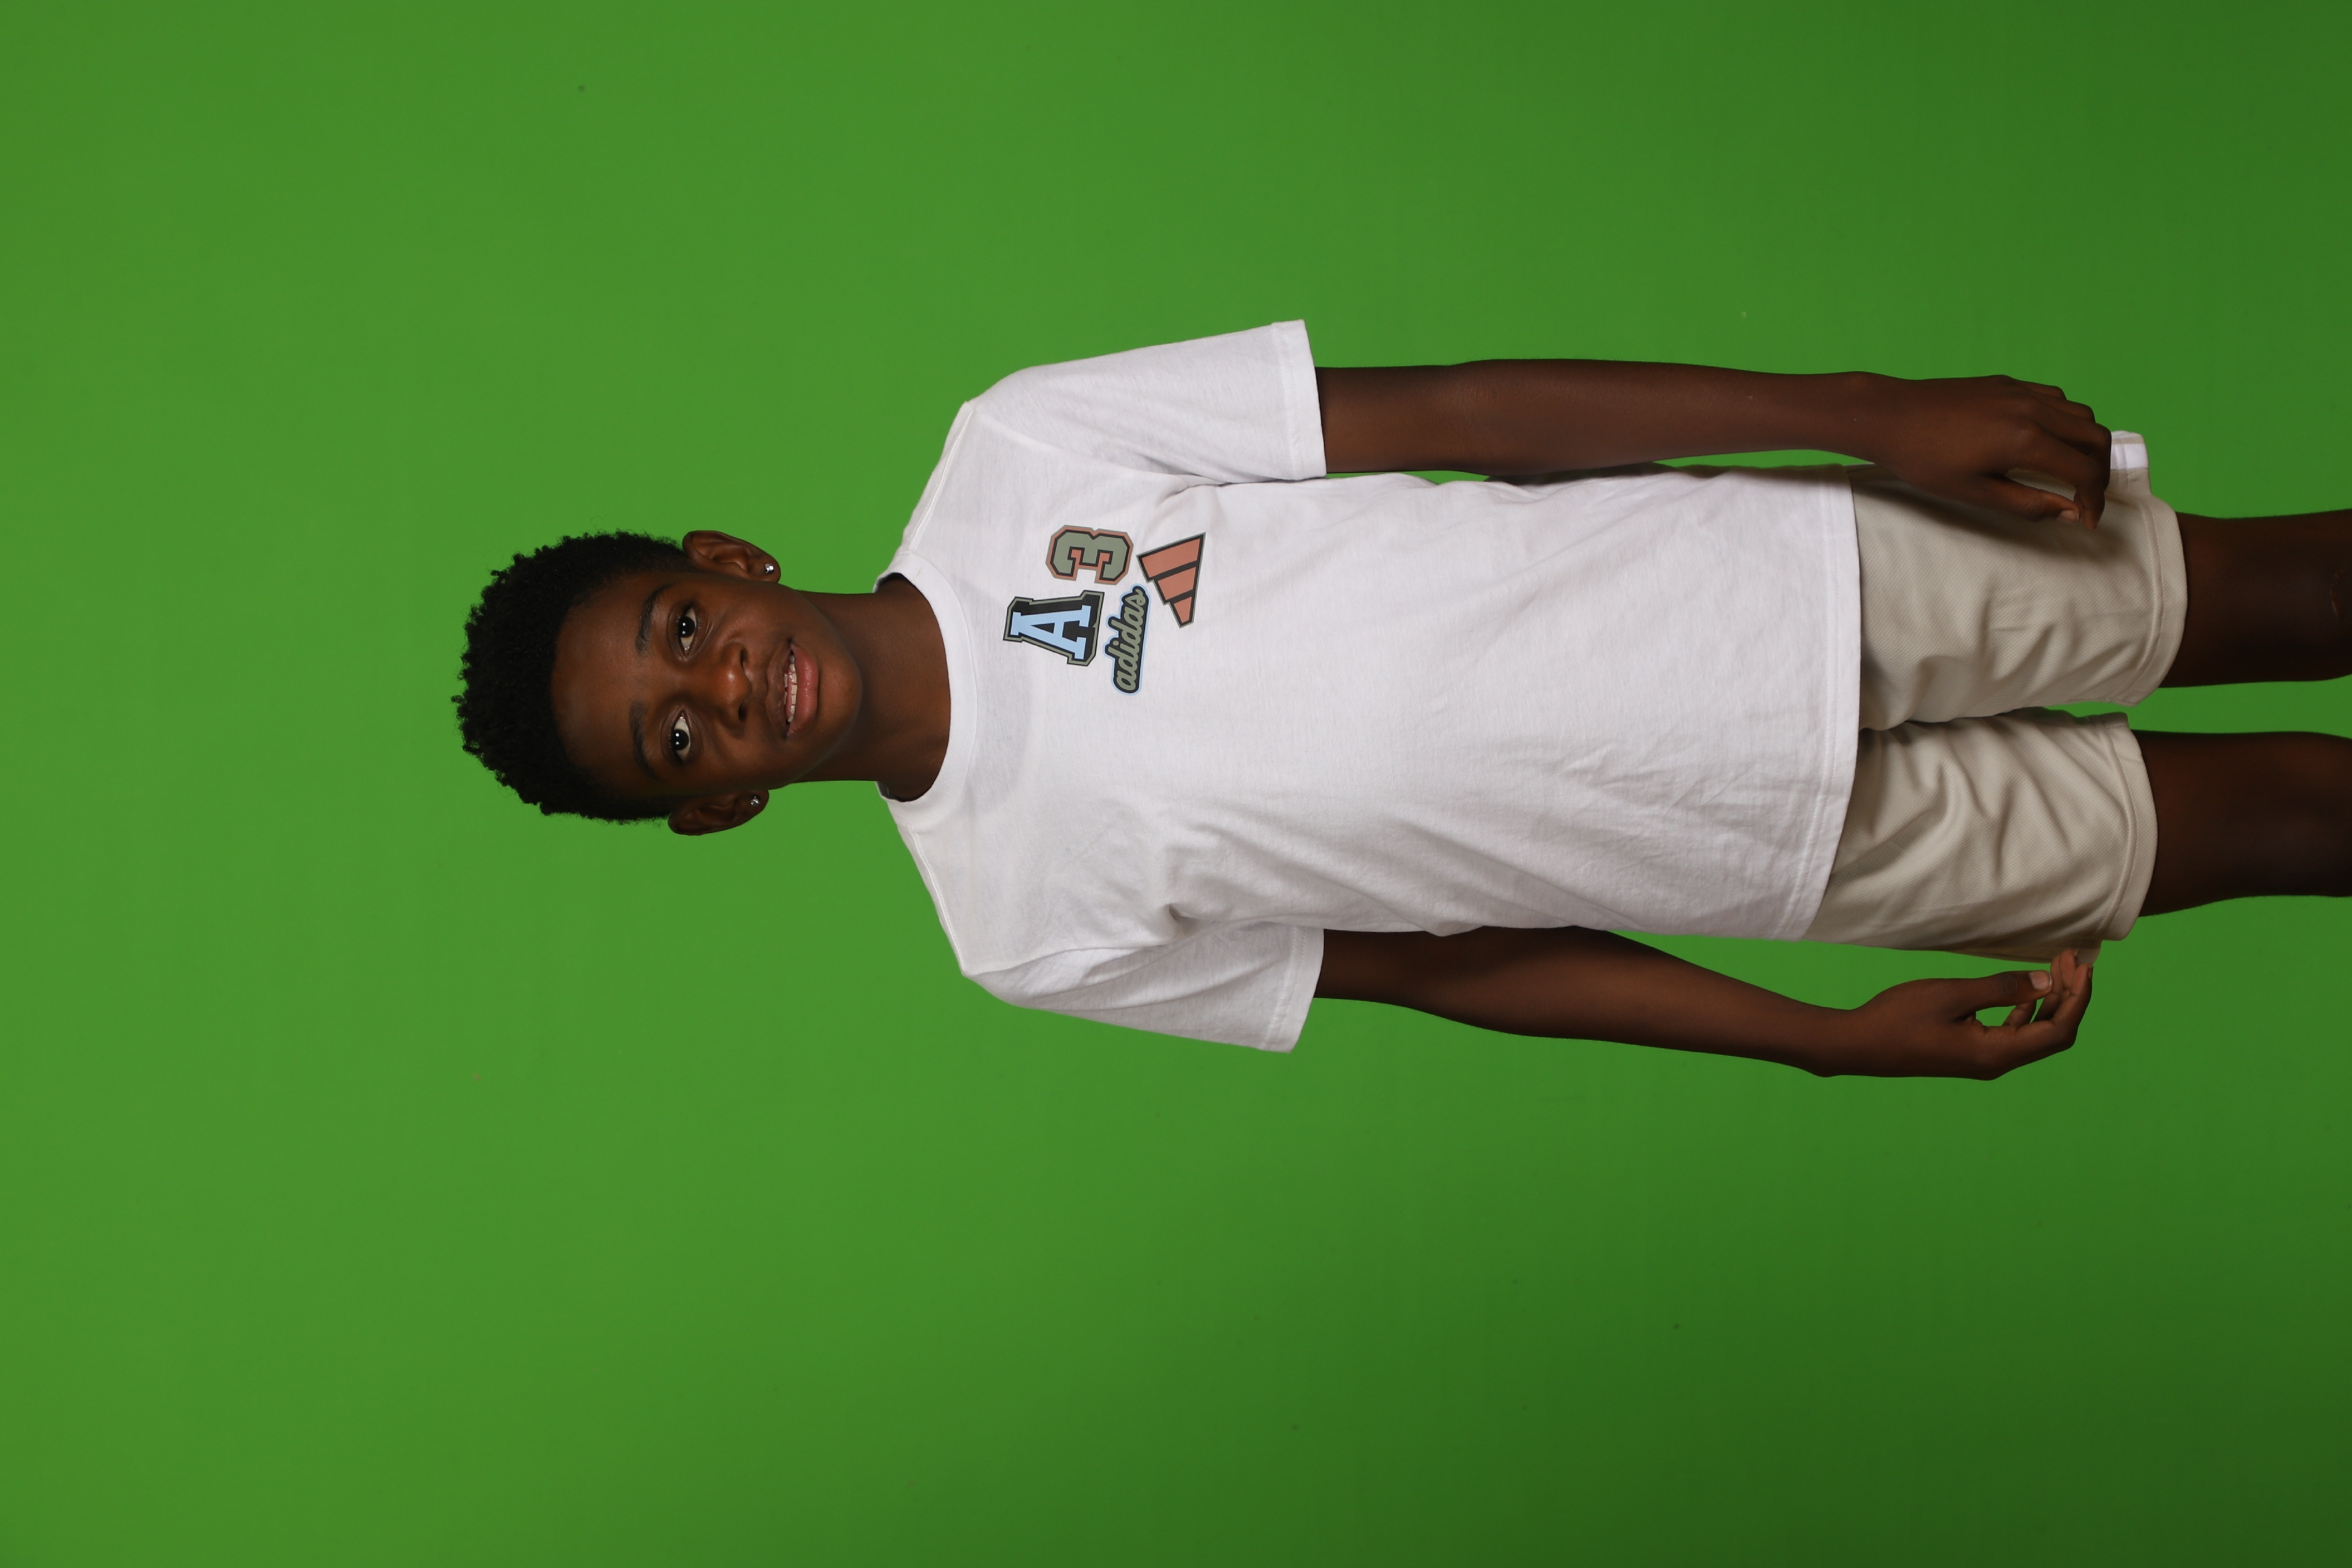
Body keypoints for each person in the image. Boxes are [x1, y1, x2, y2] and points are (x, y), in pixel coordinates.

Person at [452, 323, 2352, 1079]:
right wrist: (1813, 1042)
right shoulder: (1016, 929)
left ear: (727, 559)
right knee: (2300, 821)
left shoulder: (1019, 451)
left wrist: (1859, 416)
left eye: (681, 628)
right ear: (711, 806)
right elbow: (1456, 969)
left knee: (2297, 592)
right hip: (1784, 853)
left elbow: (1461, 414)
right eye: (676, 737)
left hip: (1791, 580)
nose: (721, 688)